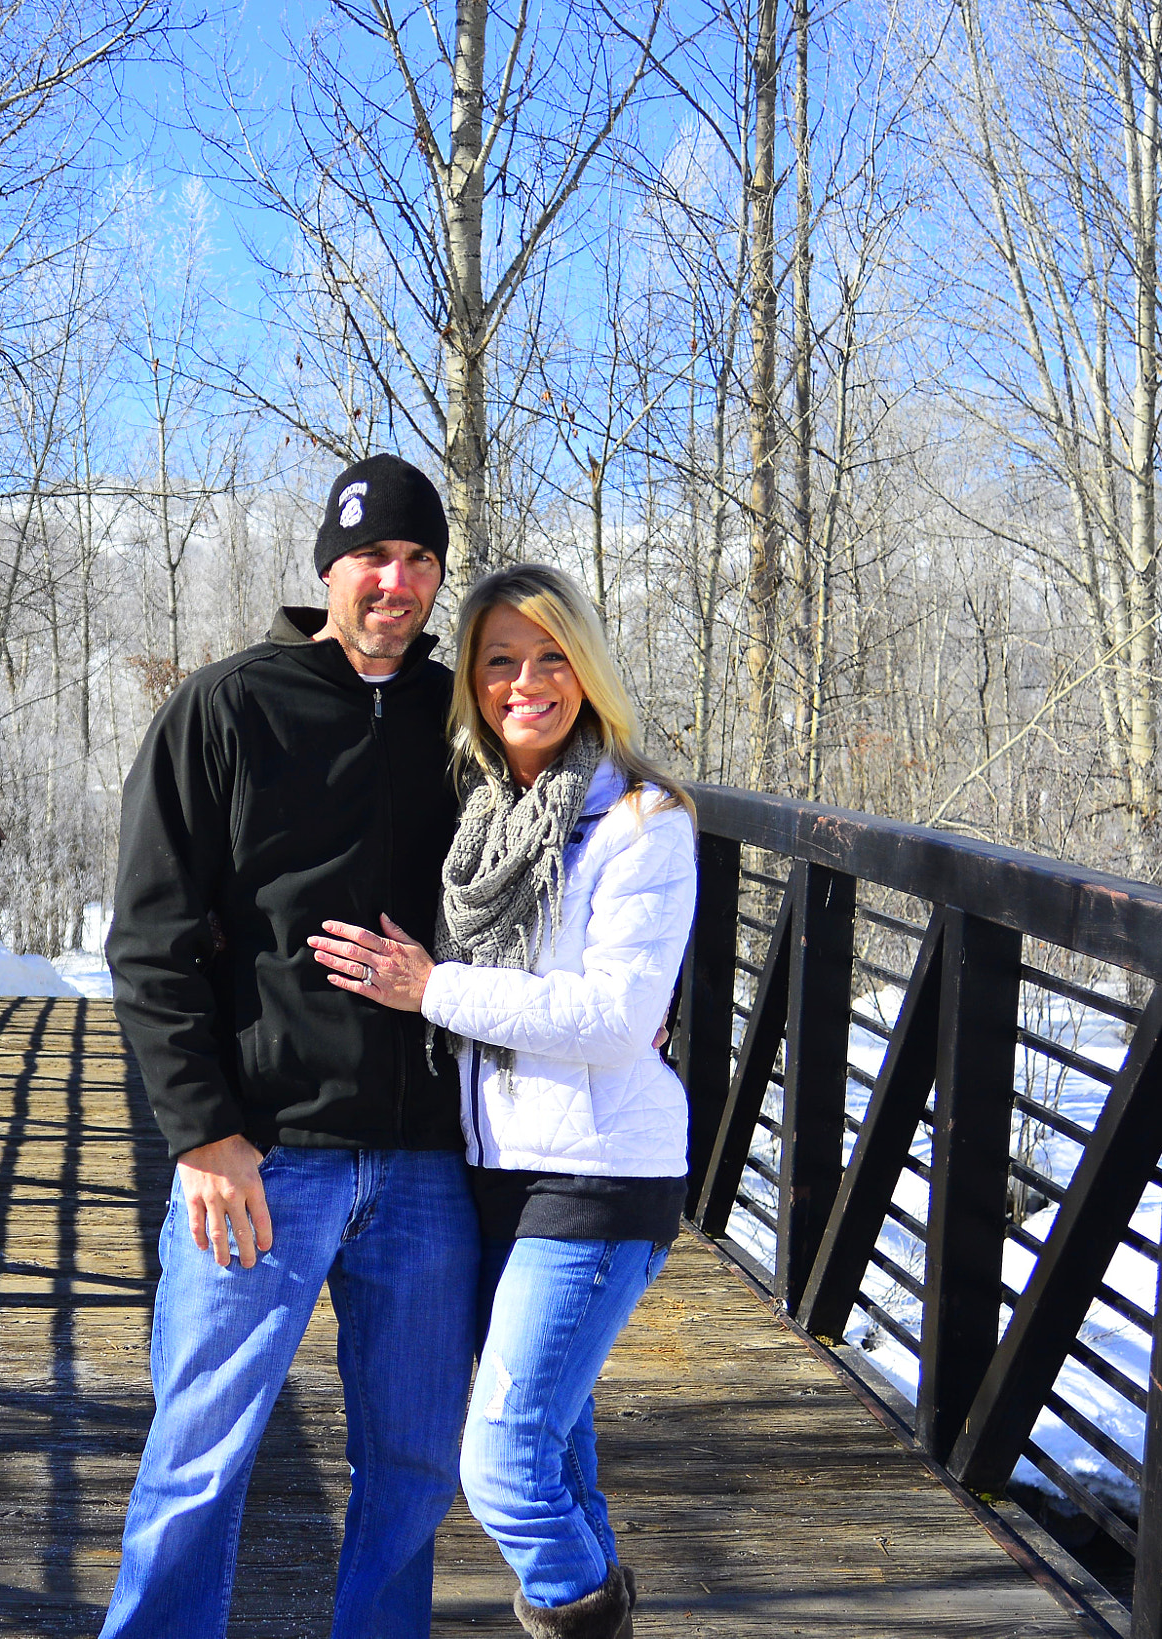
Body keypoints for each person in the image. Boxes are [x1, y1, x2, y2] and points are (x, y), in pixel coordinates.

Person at [100, 453, 479, 1639]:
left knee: (414, 1469)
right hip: (265, 1159)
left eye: (420, 560)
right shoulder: (227, 707)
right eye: (375, 556)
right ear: (329, 567)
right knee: (199, 1459)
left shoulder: (462, 719)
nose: (397, 582)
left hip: (425, 1164)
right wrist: (203, 1133)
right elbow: (148, 941)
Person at [308, 563, 696, 1639]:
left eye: (549, 657)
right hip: (494, 1171)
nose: (524, 682)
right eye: (497, 661)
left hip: (598, 1173)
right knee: (561, 1452)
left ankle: (589, 1620)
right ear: (469, 683)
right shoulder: (481, 812)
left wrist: (431, 987)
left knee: (505, 1463)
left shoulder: (640, 819)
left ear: (586, 668)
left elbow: (618, 1016)